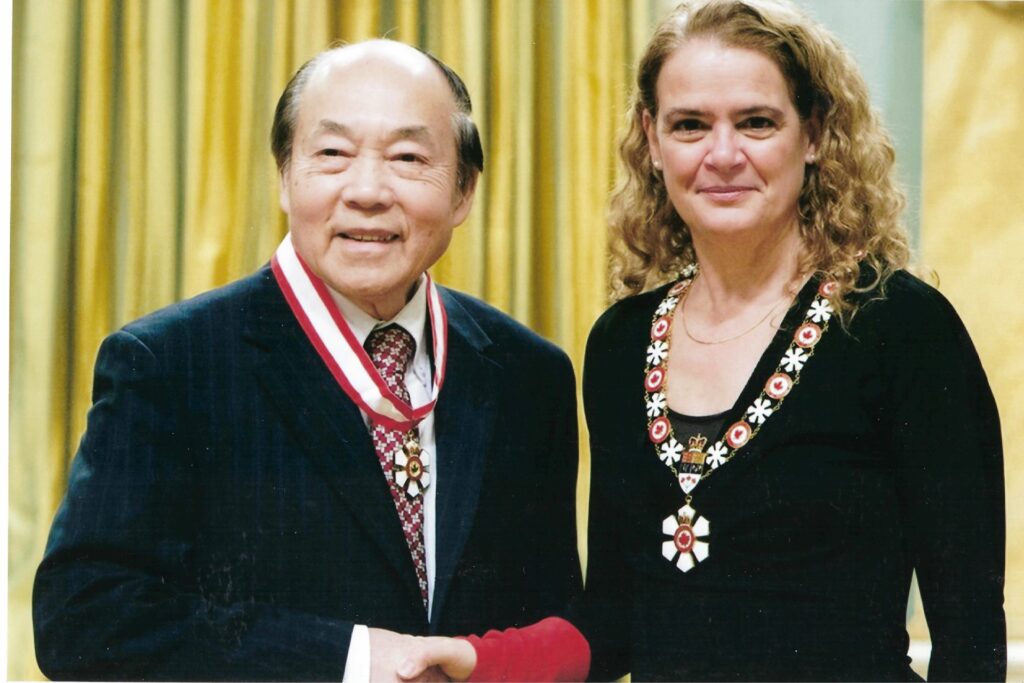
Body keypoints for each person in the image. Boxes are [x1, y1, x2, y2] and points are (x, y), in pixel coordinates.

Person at [398, 0, 1006, 680]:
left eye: (756, 122)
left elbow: (970, 635)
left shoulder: (902, 329)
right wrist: (478, 660)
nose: (723, 154)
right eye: (690, 125)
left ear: (814, 135)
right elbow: (614, 618)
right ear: (652, 141)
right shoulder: (621, 344)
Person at [32, 40, 582, 681]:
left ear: (463, 192)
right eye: (333, 154)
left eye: (408, 157)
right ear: (285, 178)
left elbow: (553, 621)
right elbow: (83, 618)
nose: (368, 190)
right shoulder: (170, 364)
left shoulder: (527, 372)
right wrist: (350, 659)